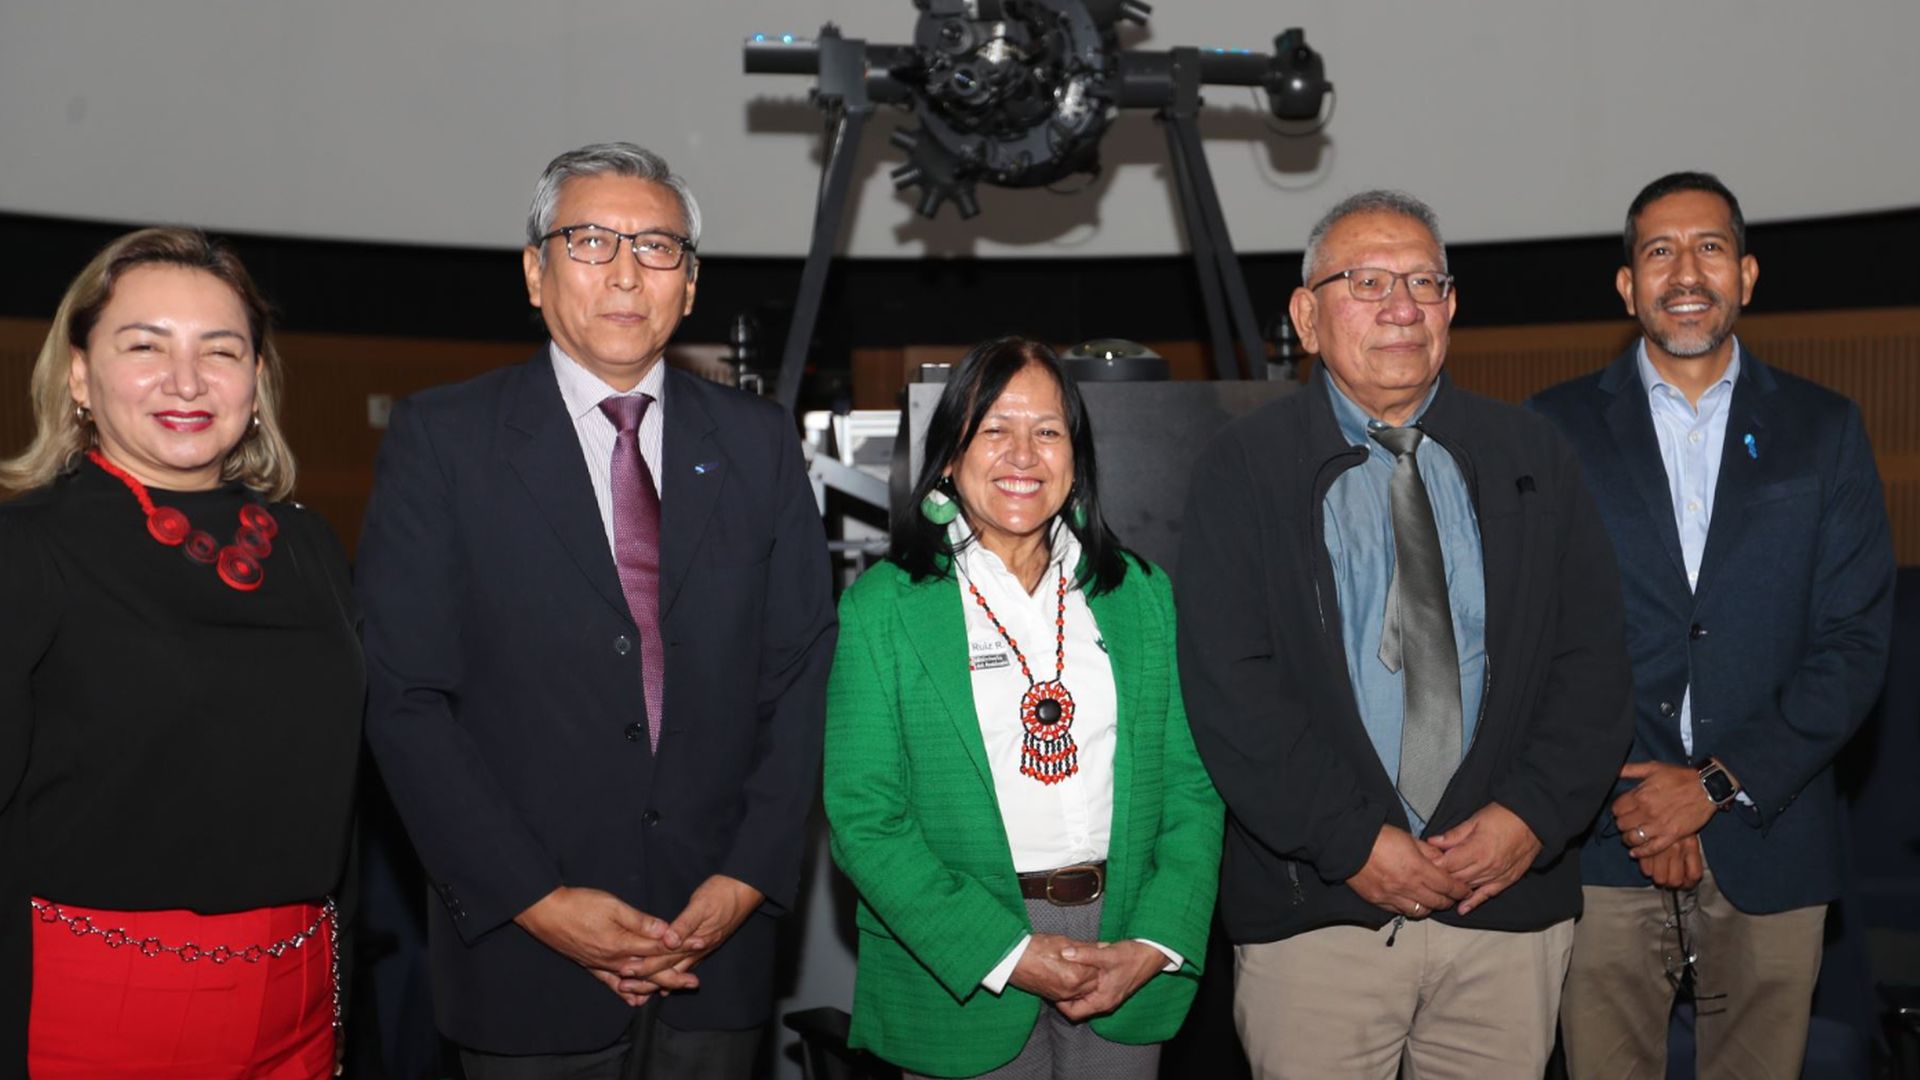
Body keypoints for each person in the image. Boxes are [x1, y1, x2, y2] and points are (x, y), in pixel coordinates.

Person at [358, 142, 836, 1079]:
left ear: (689, 286)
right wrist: (534, 898)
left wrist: (746, 879)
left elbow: (803, 672)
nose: (625, 272)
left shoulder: (759, 443)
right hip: (522, 952)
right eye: (588, 241)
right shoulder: (443, 440)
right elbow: (405, 698)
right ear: (535, 272)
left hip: (719, 948)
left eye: (657, 247)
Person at [1177, 190, 1636, 1079]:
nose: (1401, 305)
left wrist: (1530, 818)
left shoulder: (1532, 459)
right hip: (1321, 913)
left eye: (1424, 281)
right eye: (1368, 281)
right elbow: (1233, 690)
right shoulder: (1244, 470)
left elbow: (1593, 667)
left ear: (1451, 309)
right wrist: (1352, 842)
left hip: (1506, 906)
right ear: (1307, 316)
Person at [1531, 172, 1895, 1080]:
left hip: (1774, 837)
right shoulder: (1550, 430)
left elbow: (1852, 645)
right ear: (1627, 286)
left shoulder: (1826, 429)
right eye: (1659, 250)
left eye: (1710, 247)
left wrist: (1714, 784)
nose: (1685, 270)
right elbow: (1537, 638)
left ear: (1747, 274)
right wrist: (1644, 792)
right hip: (1605, 842)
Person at [0, 227, 362, 1079]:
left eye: (221, 350)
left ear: (257, 380)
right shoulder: (27, 548)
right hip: (99, 1002)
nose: (188, 382)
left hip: (304, 1000)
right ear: (80, 375)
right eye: (145, 345)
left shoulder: (310, 547)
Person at [824, 336, 1223, 1079]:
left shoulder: (1141, 595)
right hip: (961, 954)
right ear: (948, 456)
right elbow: (863, 817)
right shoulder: (883, 607)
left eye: (1047, 432)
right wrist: (1008, 951)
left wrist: (1155, 941)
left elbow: (1192, 791)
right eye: (993, 430)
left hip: (1124, 938)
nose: (1022, 454)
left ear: (1075, 460)